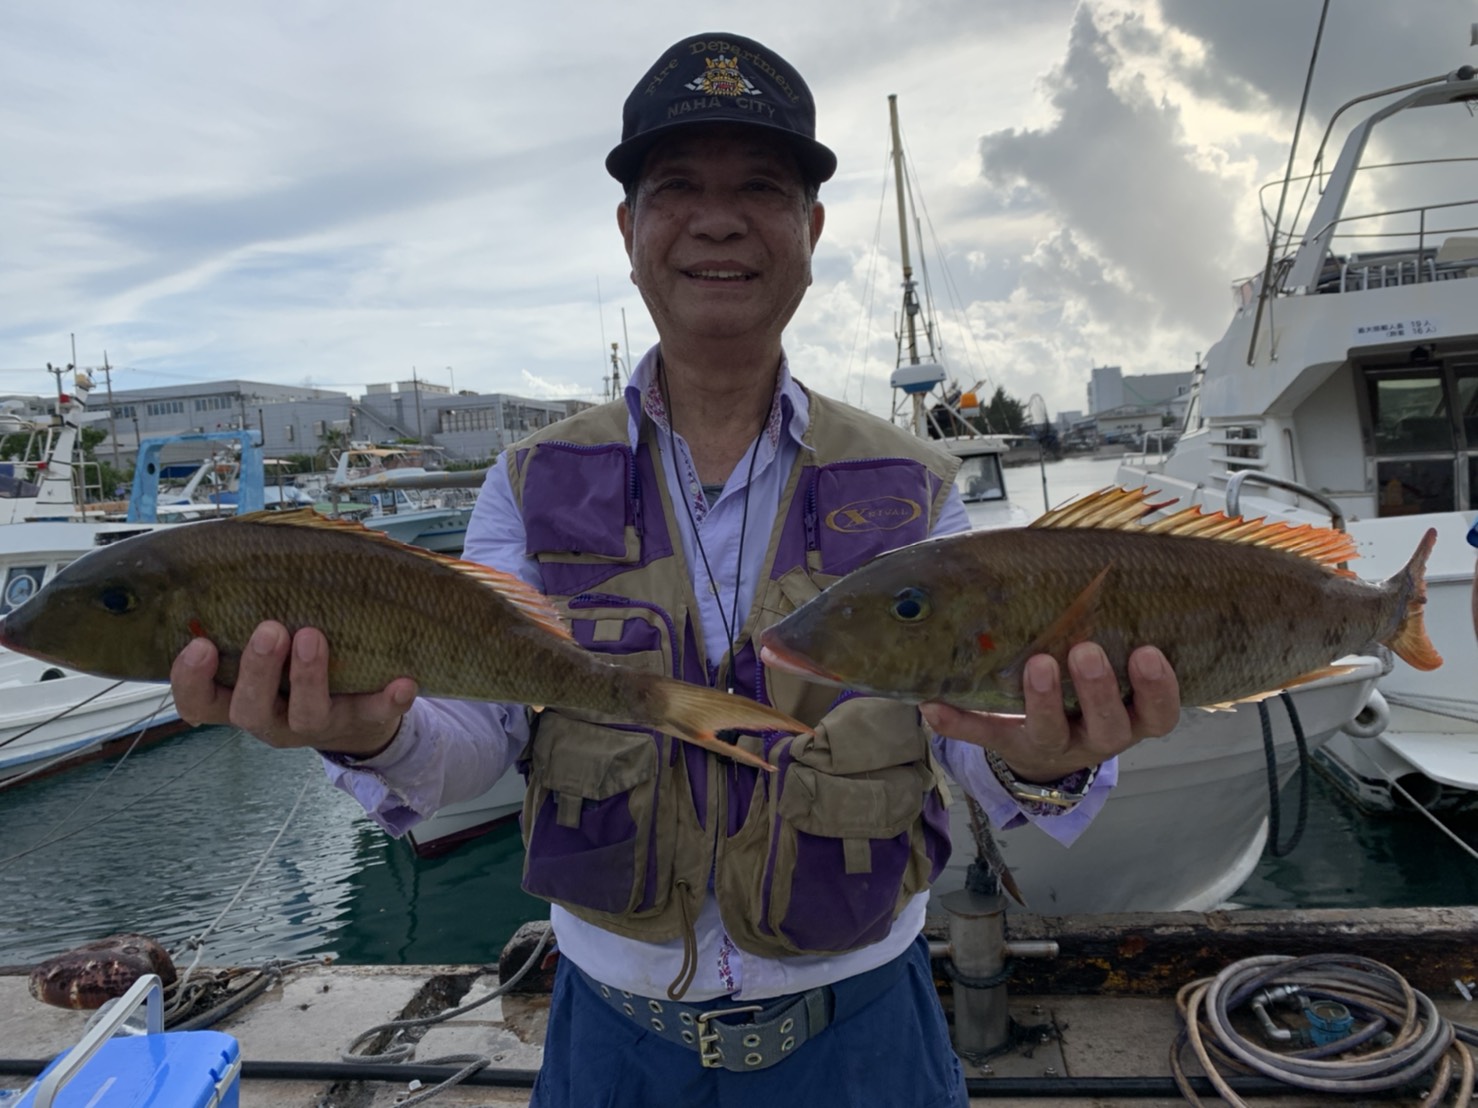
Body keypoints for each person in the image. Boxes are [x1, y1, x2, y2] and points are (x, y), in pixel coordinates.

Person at [169, 32, 1182, 1108]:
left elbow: (973, 752)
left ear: (810, 230)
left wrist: (1047, 758)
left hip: (865, 1032)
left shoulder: (913, 485)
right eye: (676, 188)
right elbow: (474, 742)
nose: (716, 217)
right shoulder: (527, 482)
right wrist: (357, 725)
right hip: (612, 1041)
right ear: (628, 230)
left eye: (759, 186)